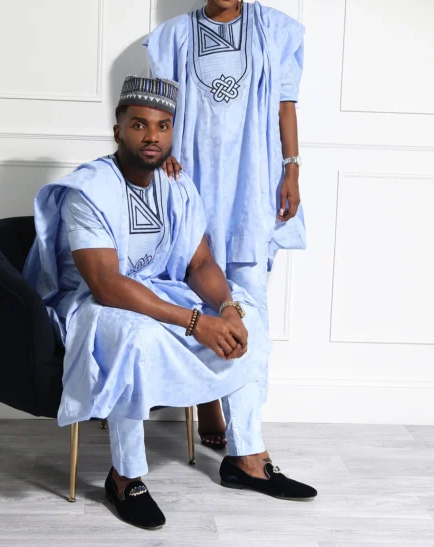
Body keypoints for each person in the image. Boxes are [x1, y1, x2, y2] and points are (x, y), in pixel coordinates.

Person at [24, 76, 317, 530]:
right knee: (135, 336)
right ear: (117, 130)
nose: (152, 136)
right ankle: (125, 478)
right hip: (93, 305)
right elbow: (105, 284)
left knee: (250, 315)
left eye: (162, 126)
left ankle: (247, 458)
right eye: (139, 124)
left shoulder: (177, 185)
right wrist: (195, 322)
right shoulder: (88, 190)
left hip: (158, 292)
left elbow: (200, 263)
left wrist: (227, 308)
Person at [144, 0, 305, 451]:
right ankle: (209, 401)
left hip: (252, 182)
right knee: (197, 286)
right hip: (194, 180)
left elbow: (285, 104)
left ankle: (247, 435)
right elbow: (158, 112)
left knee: (249, 297)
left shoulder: (273, 30)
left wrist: (292, 169)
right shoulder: (173, 37)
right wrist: (164, 154)